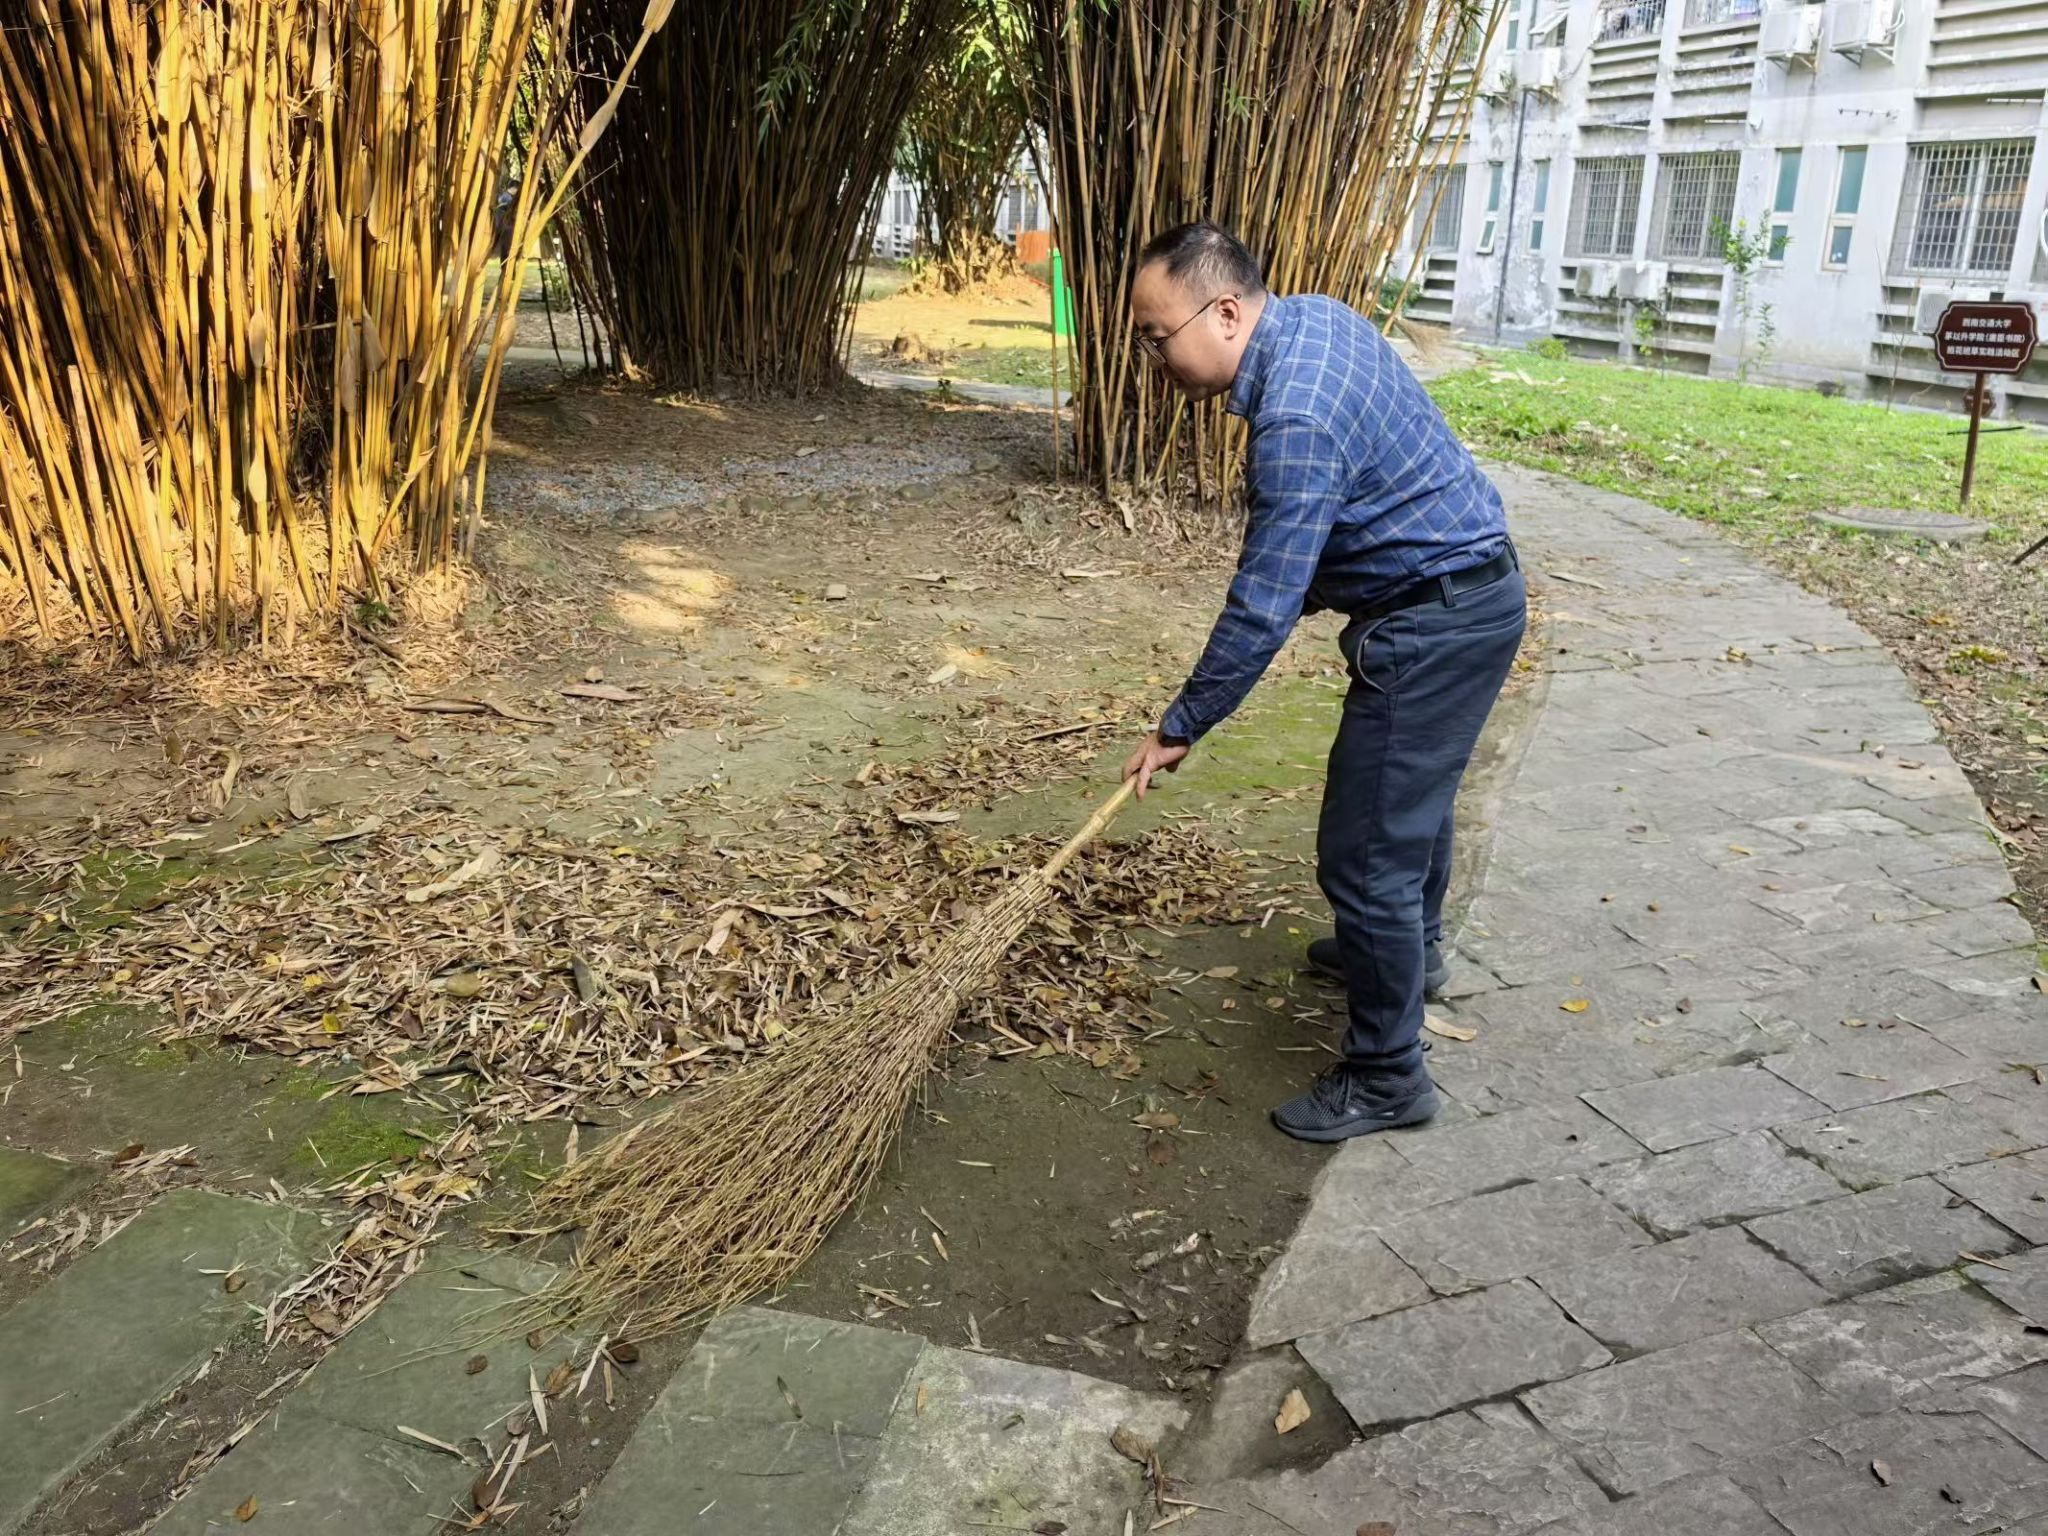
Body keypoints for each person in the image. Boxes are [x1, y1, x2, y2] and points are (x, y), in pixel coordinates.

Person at [1120, 221, 1525, 1144]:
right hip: (1474, 593)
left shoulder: (1295, 418)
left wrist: (1183, 723)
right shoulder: (1314, 319)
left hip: (1434, 622)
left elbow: (1265, 602)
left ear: (1226, 313)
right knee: (1410, 804)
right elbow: (1320, 544)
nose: (1152, 359)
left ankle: (1388, 1075)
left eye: (1156, 336)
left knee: (1366, 848)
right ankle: (1411, 954)